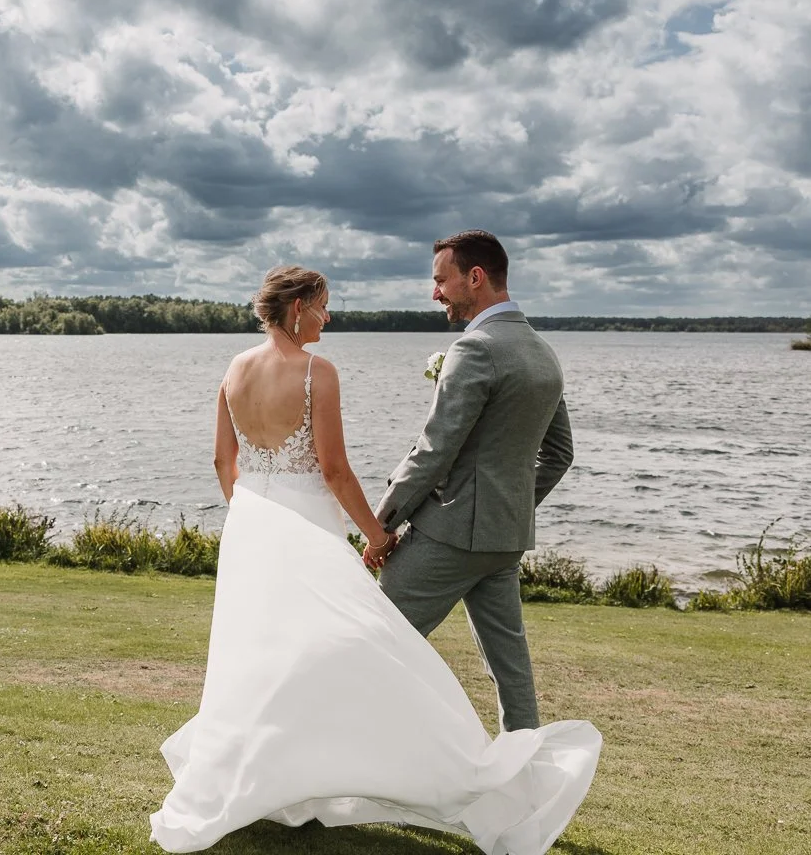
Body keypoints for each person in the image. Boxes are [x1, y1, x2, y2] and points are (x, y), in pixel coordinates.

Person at [149, 264, 600, 855]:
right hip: (310, 528)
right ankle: (409, 769)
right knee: (360, 646)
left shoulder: (234, 369)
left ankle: (268, 771)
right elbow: (334, 469)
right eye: (322, 307)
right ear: (295, 309)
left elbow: (221, 462)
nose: (328, 317)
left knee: (257, 653)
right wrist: (376, 533)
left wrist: (253, 516)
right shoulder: (318, 371)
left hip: (252, 527)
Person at [376, 230, 575, 733]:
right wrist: (507, 505)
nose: (435, 293)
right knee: (511, 671)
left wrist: (381, 523)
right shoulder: (542, 351)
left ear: (475, 277)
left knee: (372, 638)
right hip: (504, 542)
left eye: (441, 280)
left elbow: (434, 450)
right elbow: (559, 455)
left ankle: (343, 766)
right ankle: (525, 777)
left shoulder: (476, 349)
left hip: (450, 538)